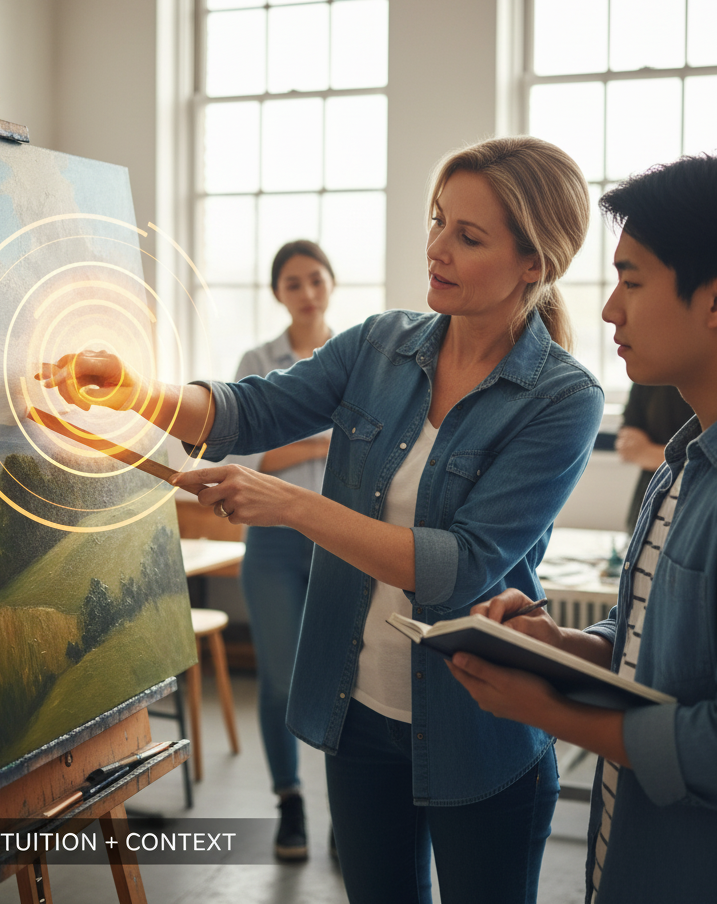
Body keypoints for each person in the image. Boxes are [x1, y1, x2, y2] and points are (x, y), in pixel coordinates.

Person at [40, 136, 604, 904]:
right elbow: (251, 409)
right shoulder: (379, 344)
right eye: (437, 221)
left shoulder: (563, 398)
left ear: (534, 264)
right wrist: (136, 390)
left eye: (468, 237)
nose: (436, 247)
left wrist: (293, 506)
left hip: (482, 727)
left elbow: (457, 566)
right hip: (360, 716)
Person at [446, 153, 717, 904]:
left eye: (632, 281)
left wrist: (549, 711)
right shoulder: (696, 456)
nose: (609, 309)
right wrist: (566, 649)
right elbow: (670, 640)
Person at [228, 239, 334, 859]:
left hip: (338, 541)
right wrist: (318, 445)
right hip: (270, 545)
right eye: (293, 283)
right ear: (278, 294)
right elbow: (245, 459)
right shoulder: (256, 360)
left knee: (349, 680)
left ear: (330, 285)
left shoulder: (357, 359)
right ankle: (289, 802)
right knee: (280, 681)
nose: (306, 292)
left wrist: (293, 445)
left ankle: (347, 814)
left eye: (315, 280)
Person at [615, 384, 692, 532]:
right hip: (646, 504)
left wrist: (647, 453)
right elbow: (627, 447)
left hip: (693, 507)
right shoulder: (646, 375)